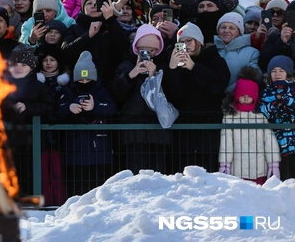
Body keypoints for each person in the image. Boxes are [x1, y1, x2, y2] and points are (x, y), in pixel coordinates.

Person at [163, 23, 231, 174]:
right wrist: (172, 70)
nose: (185, 46)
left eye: (189, 41)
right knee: (182, 167)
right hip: (183, 125)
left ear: (198, 42)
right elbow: (175, 95)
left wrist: (194, 68)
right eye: (181, 42)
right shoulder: (175, 63)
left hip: (209, 124)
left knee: (207, 167)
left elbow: (217, 86)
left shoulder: (215, 60)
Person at [111, 25, 170, 174]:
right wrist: (132, 74)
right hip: (132, 131)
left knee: (158, 175)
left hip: (158, 131)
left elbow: (173, 94)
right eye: (143, 49)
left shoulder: (165, 66)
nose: (147, 54)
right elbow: (116, 94)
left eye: (151, 50)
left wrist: (154, 76)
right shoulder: (125, 65)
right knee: (135, 173)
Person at [59, 51, 116, 195]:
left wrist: (94, 106)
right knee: (76, 188)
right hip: (74, 150)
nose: (84, 83)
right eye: (81, 80)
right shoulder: (68, 91)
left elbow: (112, 108)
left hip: (99, 151)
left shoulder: (101, 90)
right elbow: (56, 110)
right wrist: (69, 107)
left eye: (87, 80)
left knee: (99, 187)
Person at [1, 45, 54, 195]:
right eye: (15, 64)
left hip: (32, 141)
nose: (19, 68)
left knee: (29, 172)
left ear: (31, 68)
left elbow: (49, 106)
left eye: (23, 65)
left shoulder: (40, 87)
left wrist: (28, 107)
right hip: (6, 139)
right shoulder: (1, 85)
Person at [219, 67, 281, 185]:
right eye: (242, 95)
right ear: (237, 95)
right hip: (237, 169)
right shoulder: (230, 117)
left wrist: (273, 163)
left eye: (249, 95)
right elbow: (226, 143)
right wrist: (225, 164)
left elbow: (269, 141)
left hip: (259, 169)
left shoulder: (260, 116)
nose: (246, 98)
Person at [62, 0, 130, 83]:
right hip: (81, 81)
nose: (93, 6)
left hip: (109, 83)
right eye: (89, 3)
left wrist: (110, 19)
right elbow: (65, 52)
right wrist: (88, 35)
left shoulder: (110, 25)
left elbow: (124, 46)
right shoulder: (74, 28)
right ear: (83, 9)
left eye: (97, 3)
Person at [36, 45, 70, 206]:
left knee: (58, 171)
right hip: (39, 134)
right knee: (43, 172)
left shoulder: (65, 84)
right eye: (45, 60)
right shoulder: (35, 83)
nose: (48, 63)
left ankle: (59, 203)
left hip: (60, 134)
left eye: (52, 60)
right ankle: (46, 203)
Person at [260, 56, 295, 180]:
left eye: (281, 71)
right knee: (282, 176)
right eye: (274, 71)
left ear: (288, 73)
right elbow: (264, 111)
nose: (277, 74)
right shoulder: (266, 91)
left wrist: (281, 98)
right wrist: (278, 102)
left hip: (293, 139)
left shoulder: (293, 88)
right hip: (276, 139)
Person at [214, 12, 261, 94]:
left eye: (232, 28)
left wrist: (228, 91)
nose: (226, 31)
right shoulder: (210, 50)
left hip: (238, 99)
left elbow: (256, 77)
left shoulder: (252, 52)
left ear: (239, 31)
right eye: (223, 27)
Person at [258, 0, 295, 71]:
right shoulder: (274, 37)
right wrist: (282, 42)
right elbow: (263, 64)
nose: (275, 15)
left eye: (280, 13)